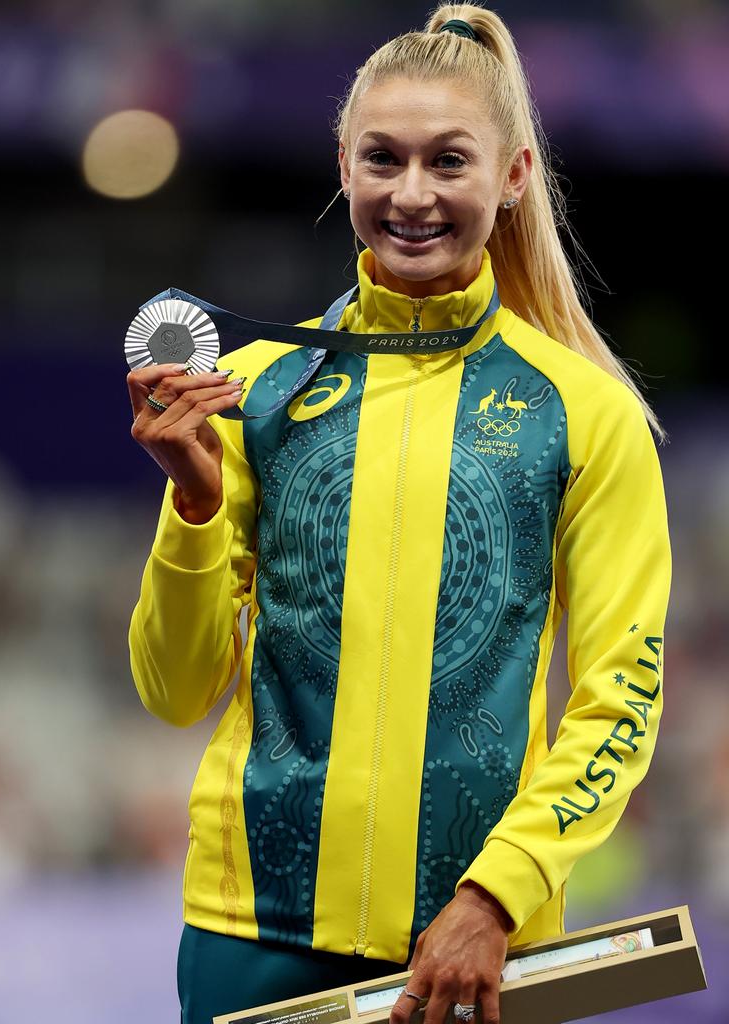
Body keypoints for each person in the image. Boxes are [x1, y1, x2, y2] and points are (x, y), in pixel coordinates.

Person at [126, 4, 671, 1024]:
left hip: (471, 944)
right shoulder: (253, 394)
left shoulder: (586, 413)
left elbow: (621, 697)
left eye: (448, 161)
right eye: (383, 159)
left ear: (512, 176)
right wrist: (194, 502)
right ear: (344, 166)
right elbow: (173, 687)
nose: (411, 194)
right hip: (253, 932)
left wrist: (496, 893)